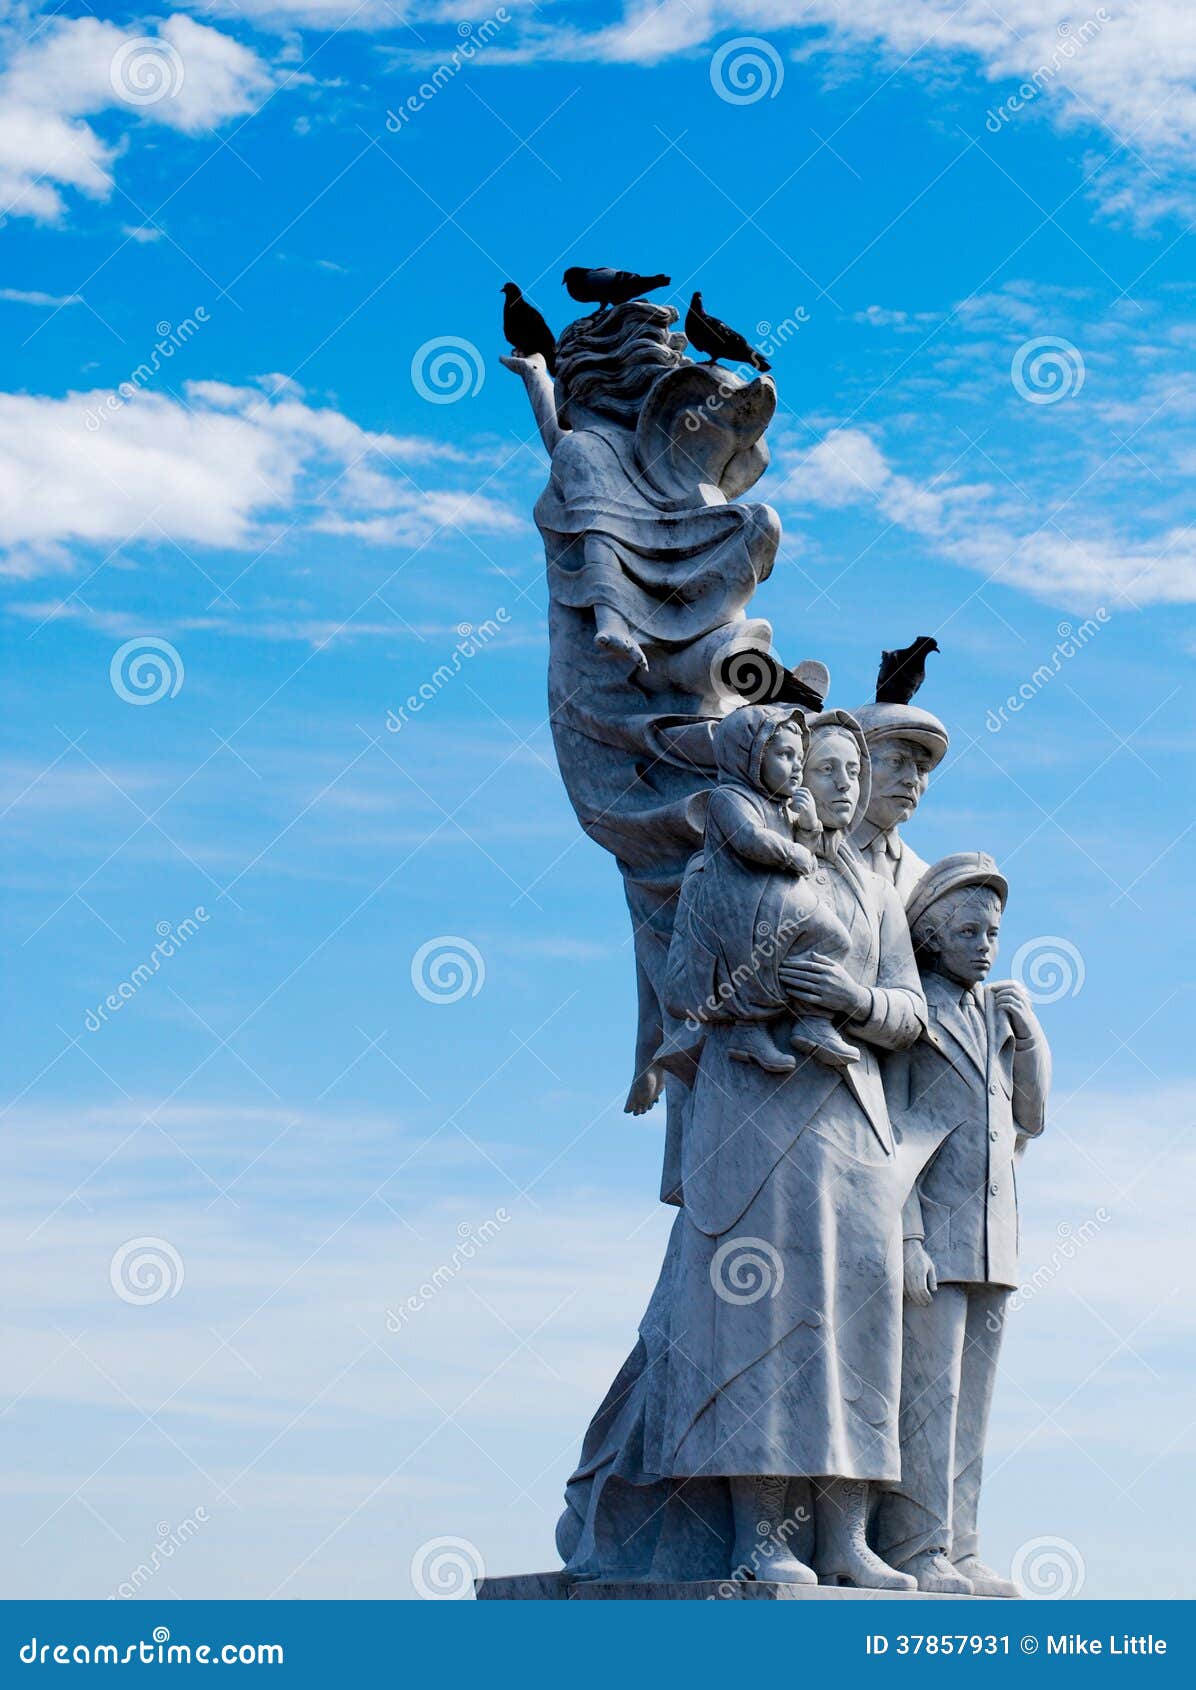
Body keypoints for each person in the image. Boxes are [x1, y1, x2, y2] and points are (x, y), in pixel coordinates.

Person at [557, 712, 927, 1589]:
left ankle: (843, 1537)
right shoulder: (715, 868)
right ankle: (759, 1538)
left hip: (851, 1131)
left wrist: (852, 999)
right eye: (824, 768)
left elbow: (909, 1010)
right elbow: (682, 985)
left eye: (849, 770)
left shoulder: (874, 891)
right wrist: (751, 998)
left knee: (855, 1332)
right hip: (750, 1120)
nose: (840, 783)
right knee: (753, 1325)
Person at [875, 854, 1051, 1596]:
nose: (984, 945)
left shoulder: (996, 1017)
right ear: (933, 937)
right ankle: (916, 1548)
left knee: (972, 1403)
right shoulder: (913, 1018)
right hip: (931, 1242)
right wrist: (908, 1236)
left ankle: (961, 1544)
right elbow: (888, 1135)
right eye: (970, 931)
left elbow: (1032, 1120)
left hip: (993, 1240)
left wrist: (1031, 1036)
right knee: (927, 1396)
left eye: (993, 932)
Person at [662, 704, 862, 1077]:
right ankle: (748, 1032)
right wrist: (795, 852)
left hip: (779, 901)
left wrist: (808, 825)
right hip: (740, 903)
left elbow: (806, 849)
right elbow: (751, 840)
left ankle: (813, 1021)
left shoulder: (780, 806)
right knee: (751, 971)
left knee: (835, 939)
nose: (797, 766)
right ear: (748, 757)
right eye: (785, 755)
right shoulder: (728, 798)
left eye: (800, 757)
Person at [851, 697, 948, 901]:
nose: (912, 779)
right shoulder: (809, 848)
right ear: (854, 763)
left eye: (922, 769)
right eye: (896, 761)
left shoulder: (926, 879)